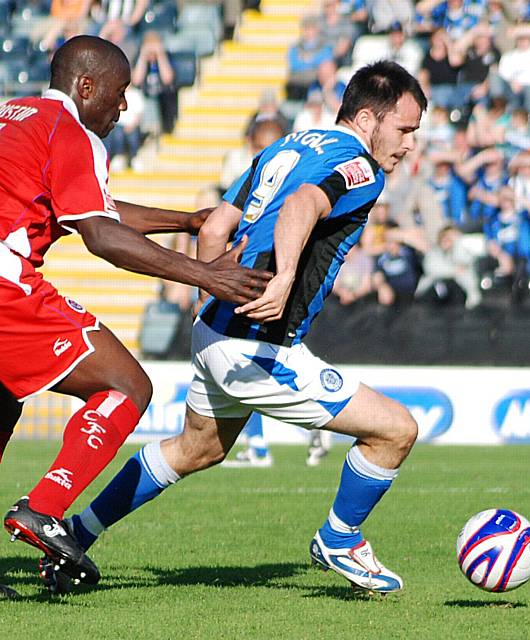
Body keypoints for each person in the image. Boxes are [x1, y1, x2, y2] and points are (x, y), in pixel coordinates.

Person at [63, 60, 427, 596]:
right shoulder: (358, 167)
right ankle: (341, 539)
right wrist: (281, 279)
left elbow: (213, 228)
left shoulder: (284, 147)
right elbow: (301, 206)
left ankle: (77, 531)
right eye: (405, 129)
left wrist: (205, 295)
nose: (409, 144)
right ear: (369, 119)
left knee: (197, 449)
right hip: (260, 343)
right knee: (396, 430)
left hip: (213, 330)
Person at [0, 35, 271, 594]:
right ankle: (45, 508)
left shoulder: (14, 114)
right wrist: (208, 275)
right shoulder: (69, 130)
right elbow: (101, 235)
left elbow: (93, 206)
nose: (122, 108)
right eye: (120, 94)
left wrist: (187, 221)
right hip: (7, 290)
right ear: (87, 85)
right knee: (126, 385)